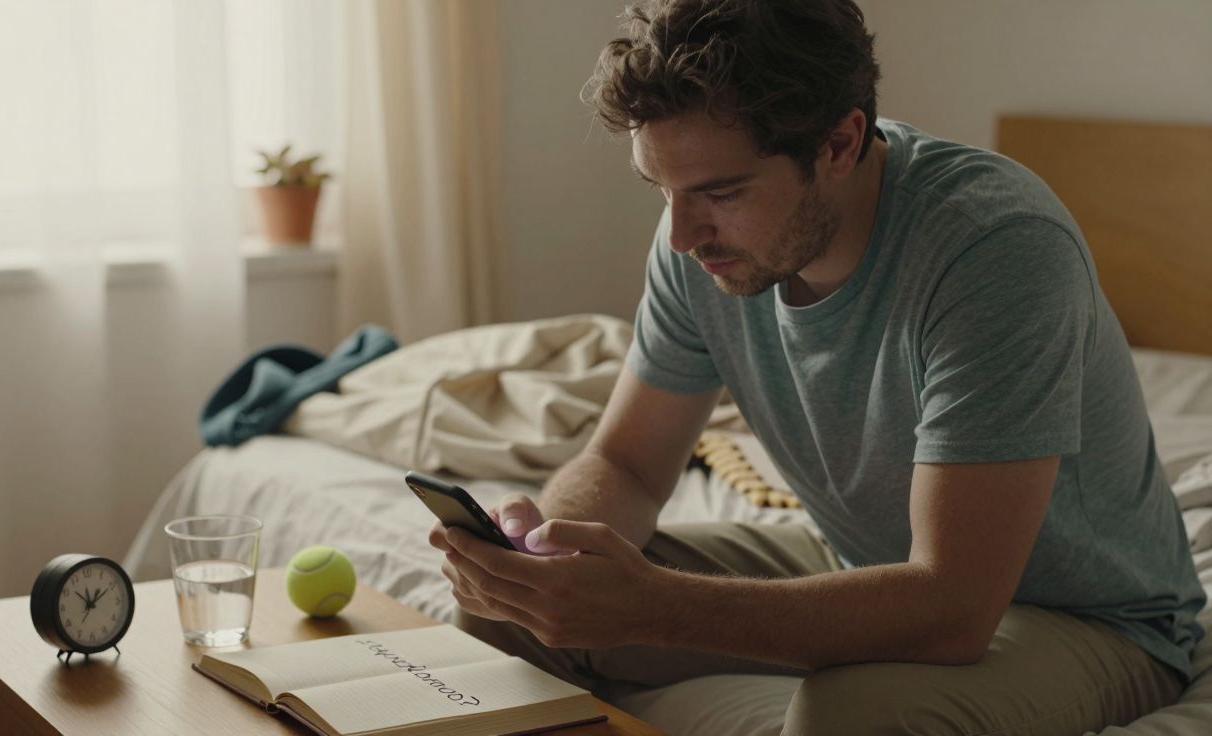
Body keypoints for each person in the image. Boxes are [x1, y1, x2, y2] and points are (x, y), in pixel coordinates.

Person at [428, 1, 1206, 733]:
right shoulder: (700, 248)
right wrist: (549, 555)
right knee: (506, 613)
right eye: (661, 189)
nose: (681, 234)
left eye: (720, 192)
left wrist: (654, 607)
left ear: (839, 144)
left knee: (850, 715)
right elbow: (627, 464)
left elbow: (952, 608)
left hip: (1089, 621)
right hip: (868, 562)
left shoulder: (994, 249)